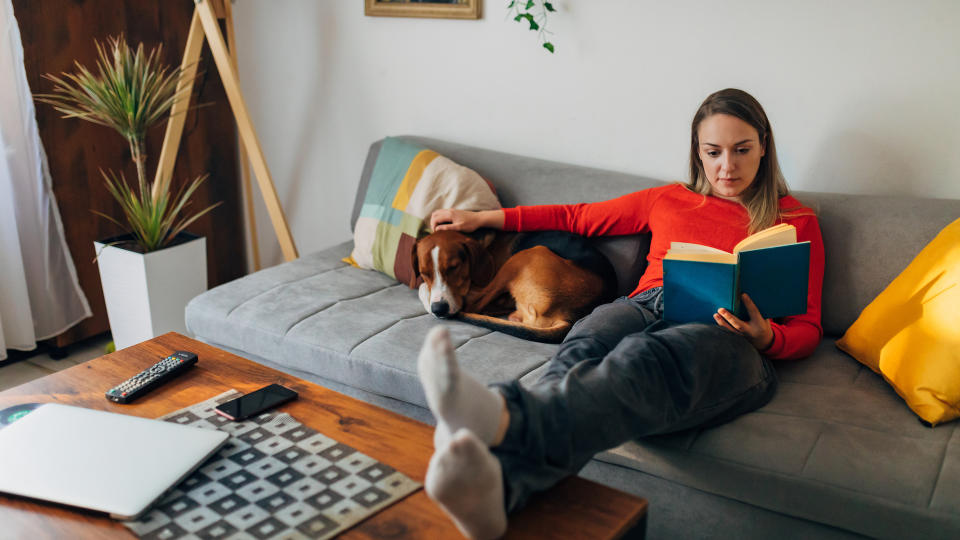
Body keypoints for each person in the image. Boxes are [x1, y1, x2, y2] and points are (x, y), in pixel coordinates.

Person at [416, 88, 825, 539]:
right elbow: (577, 216)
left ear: (764, 146)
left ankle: (505, 415)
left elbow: (808, 328)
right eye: (713, 152)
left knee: (645, 356)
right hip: (646, 305)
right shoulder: (669, 200)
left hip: (731, 339)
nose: (727, 167)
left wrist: (767, 337)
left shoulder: (797, 221)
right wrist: (485, 219)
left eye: (742, 150)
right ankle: (504, 490)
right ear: (698, 152)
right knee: (589, 338)